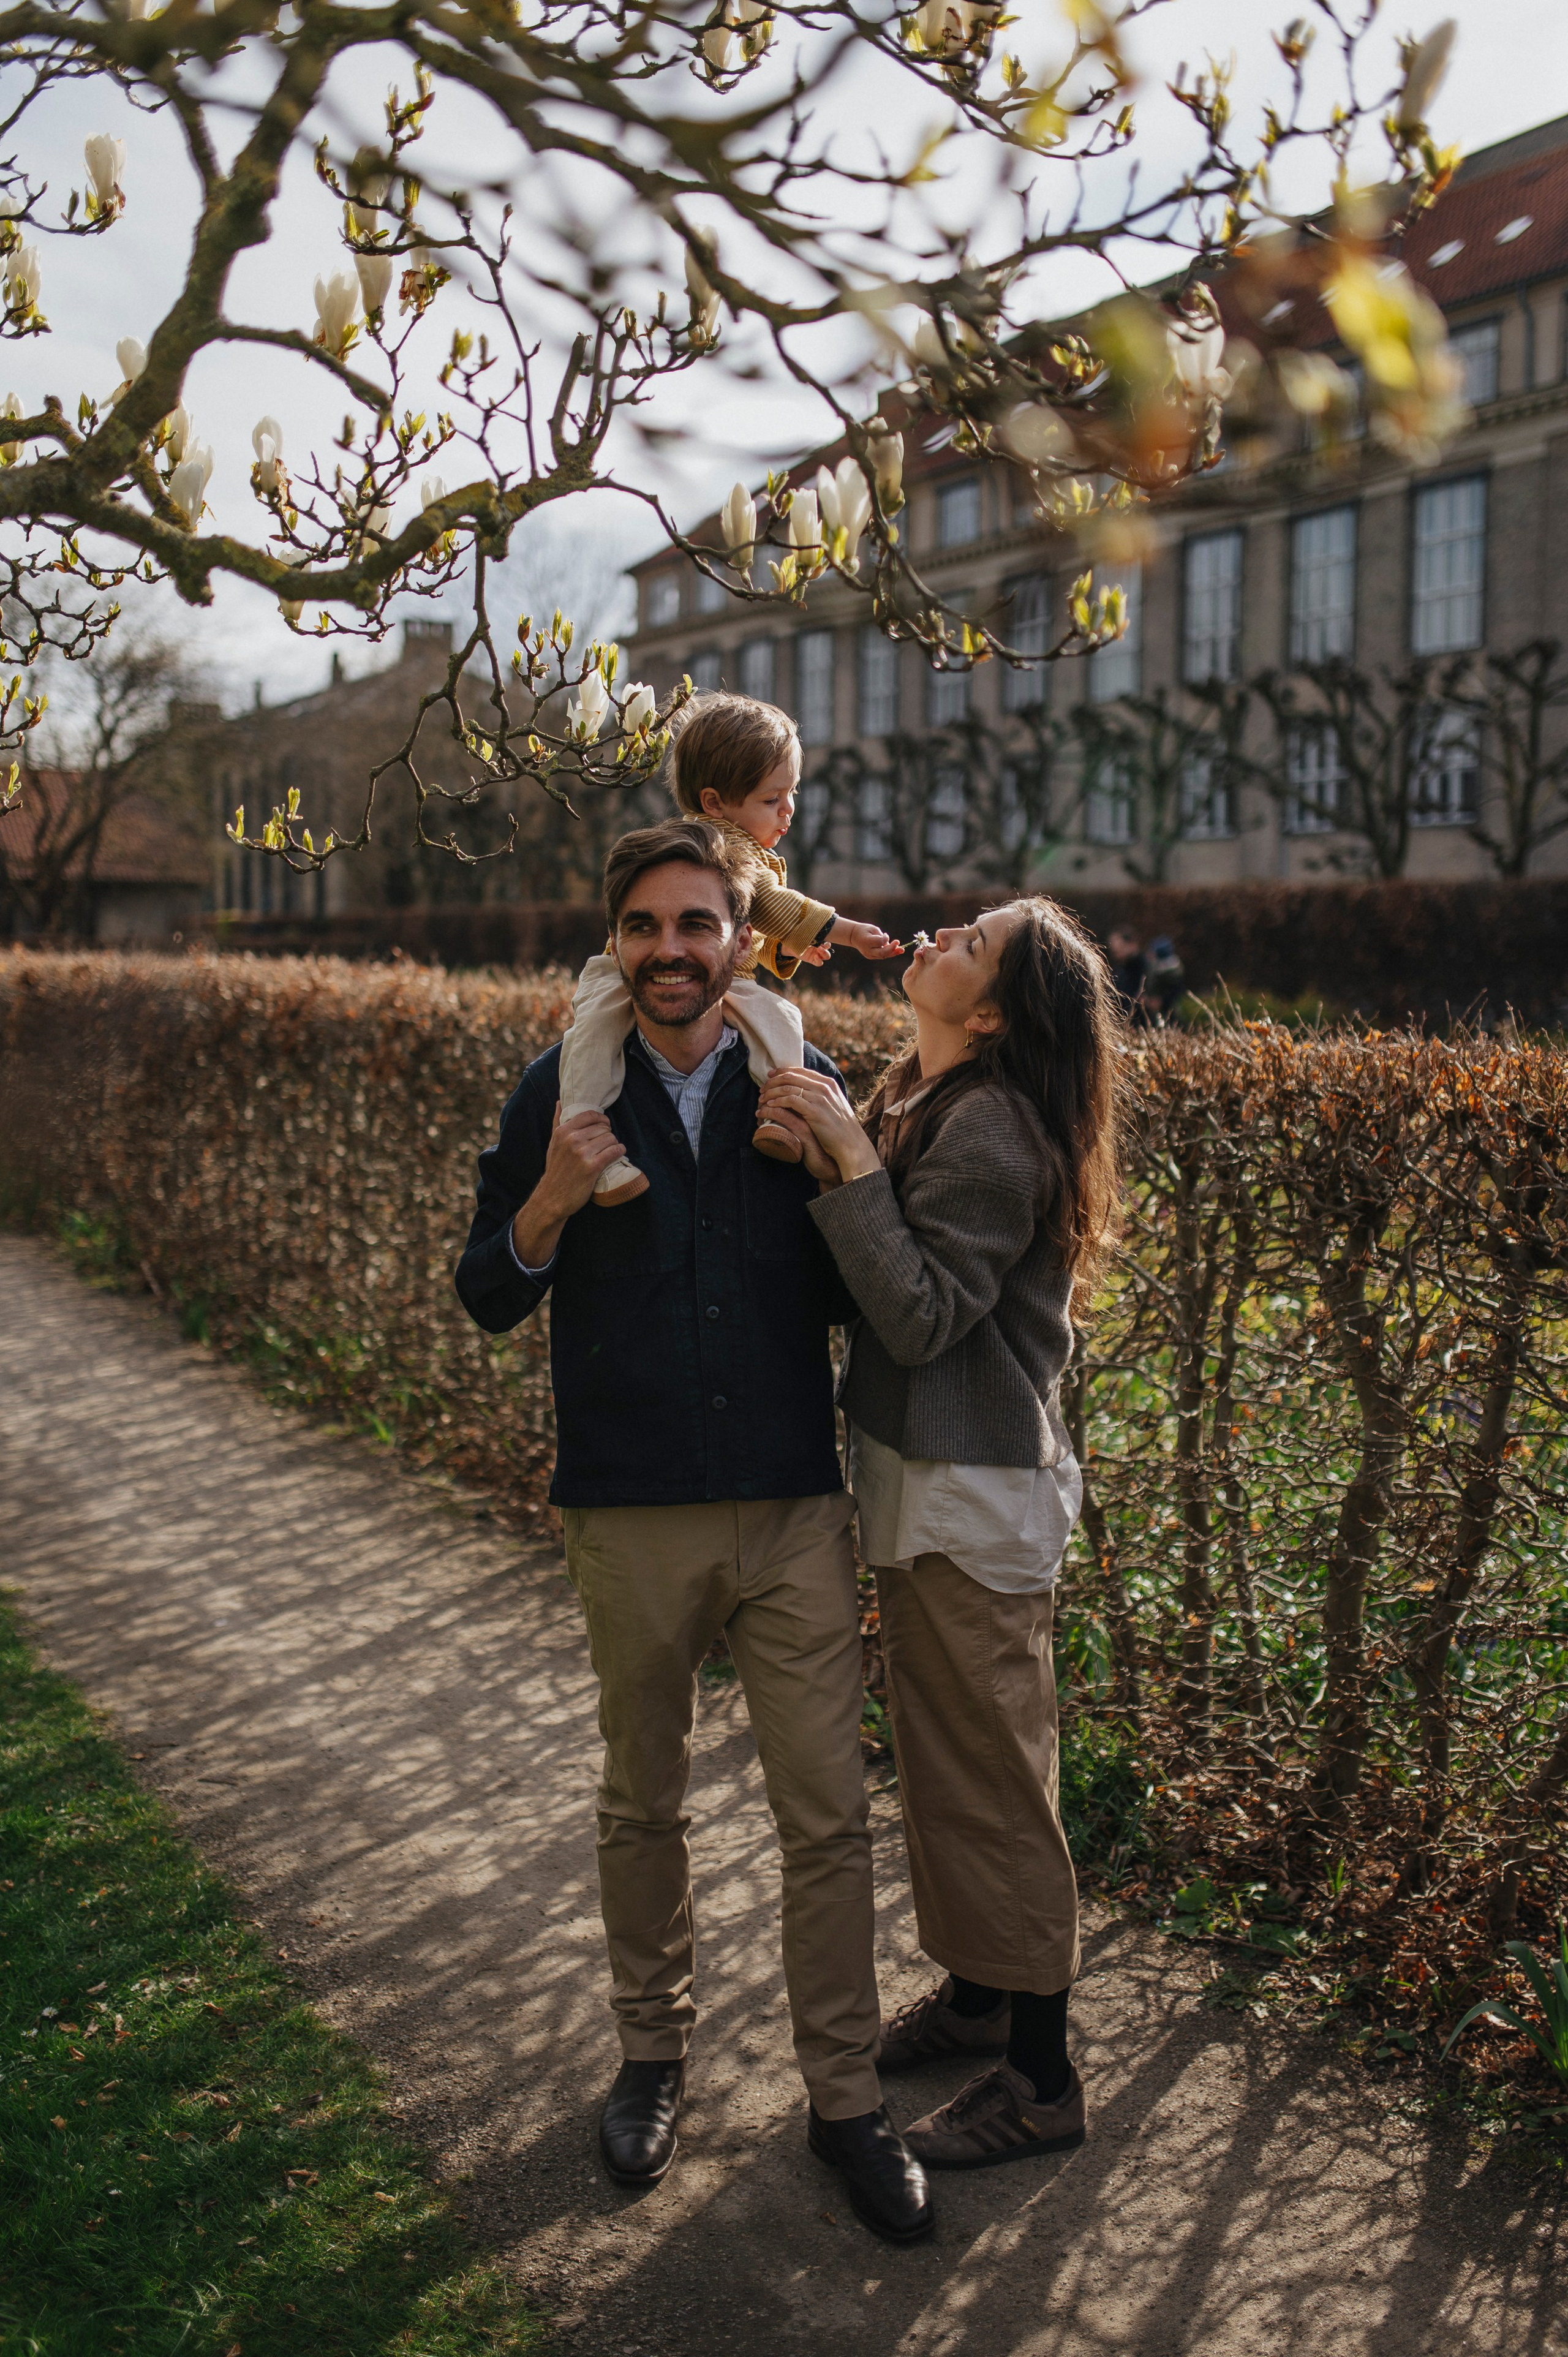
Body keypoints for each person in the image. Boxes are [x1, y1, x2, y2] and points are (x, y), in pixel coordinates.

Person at [453, 816, 932, 2245]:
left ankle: (844, 2098)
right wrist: (548, 1190)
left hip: (790, 1504)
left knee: (827, 1813)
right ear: (616, 943)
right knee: (639, 1797)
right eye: (644, 927)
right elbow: (487, 1290)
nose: (671, 950)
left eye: (696, 924)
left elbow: (867, 1300)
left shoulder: (802, 1077)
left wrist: (845, 1161)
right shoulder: (560, 1083)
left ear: (738, 937)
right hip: (630, 1506)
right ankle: (651, 2055)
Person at [756, 897, 1123, 2171]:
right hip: (928, 1488)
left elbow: (915, 1319)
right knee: (946, 1763)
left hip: (973, 1500)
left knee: (994, 1784)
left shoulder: (991, 1132)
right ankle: (977, 1998)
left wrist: (848, 1163)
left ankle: (1040, 2076)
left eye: (972, 944)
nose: (941, 935)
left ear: (992, 1013)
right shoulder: (924, 1091)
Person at [557, 694, 901, 1205]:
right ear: (715, 802)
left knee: (594, 1049)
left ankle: (775, 1118)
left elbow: (743, 932)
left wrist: (785, 950)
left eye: (792, 794)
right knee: (590, 1045)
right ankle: (596, 1148)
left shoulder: (742, 847)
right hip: (619, 975)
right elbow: (770, 904)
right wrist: (845, 932)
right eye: (771, 799)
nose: (788, 810)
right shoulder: (723, 848)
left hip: (711, 981)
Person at [1106, 922, 1149, 1027]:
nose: (1115, 951)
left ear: (1132, 944)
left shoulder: (1146, 968)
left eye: (1120, 946)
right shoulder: (1119, 969)